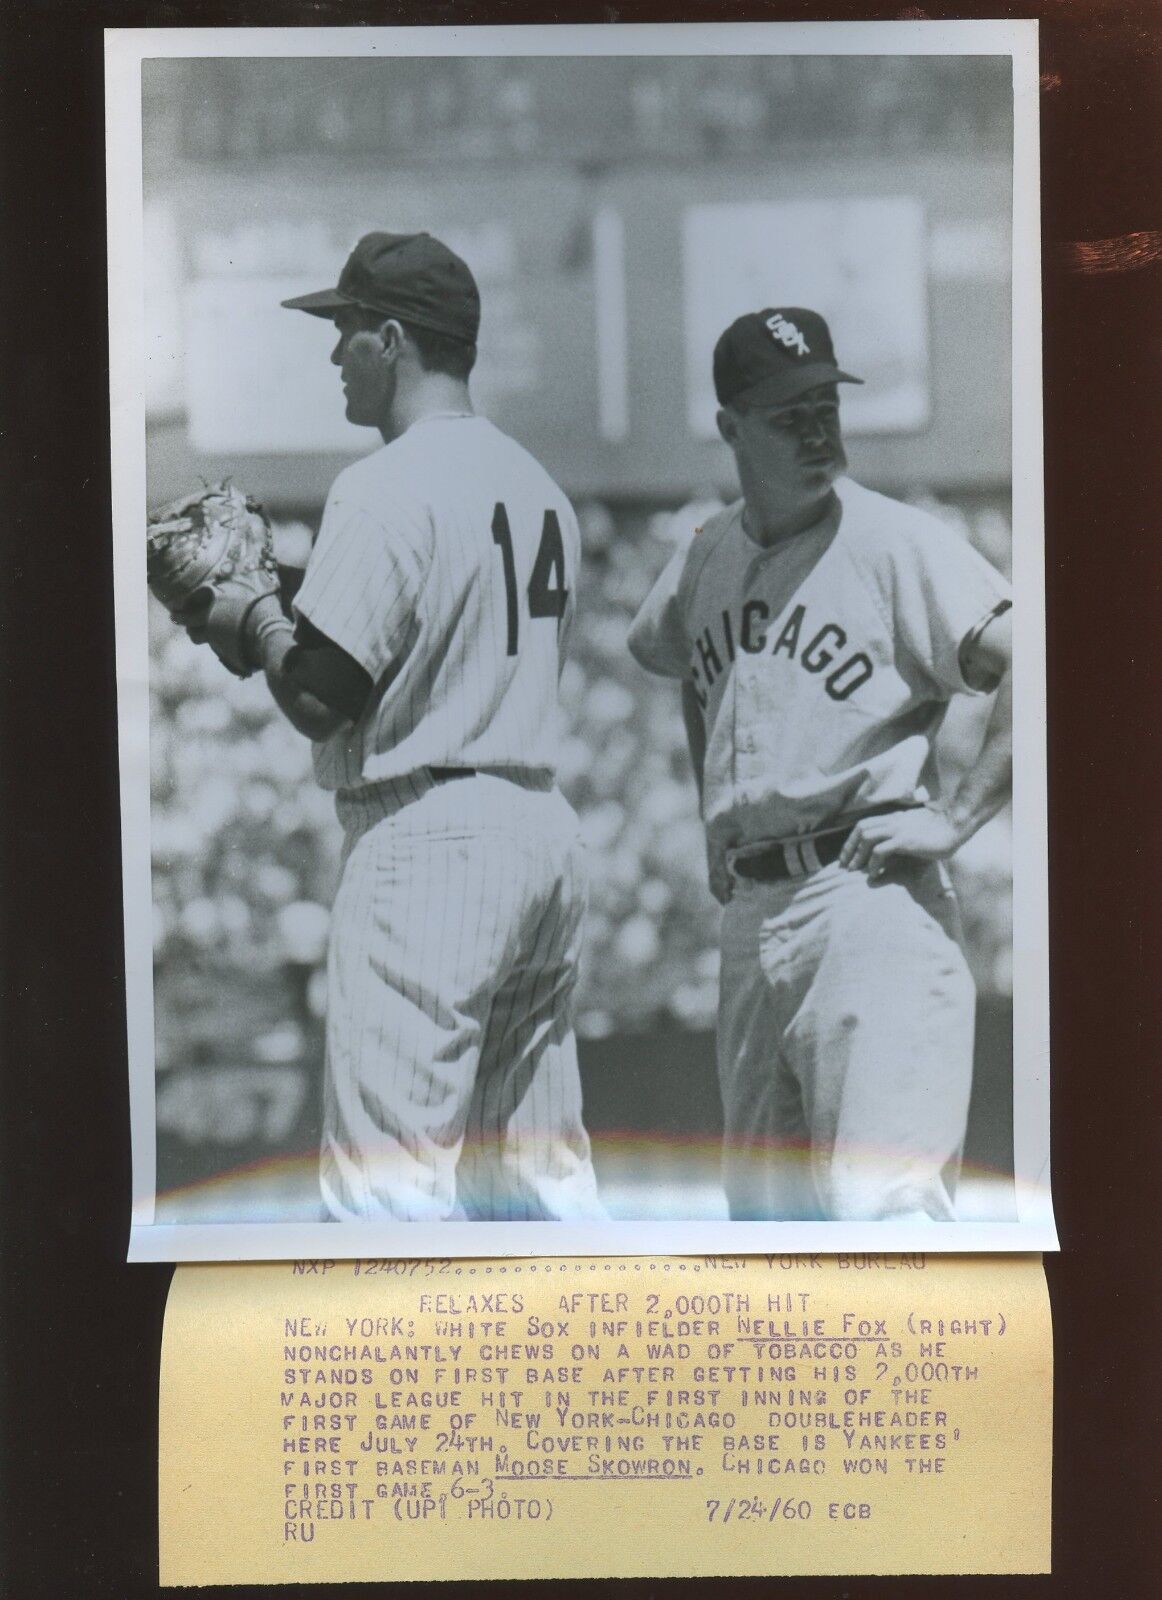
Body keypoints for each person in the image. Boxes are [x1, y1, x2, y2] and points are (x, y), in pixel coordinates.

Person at [209, 230, 605, 1222]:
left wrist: (253, 621)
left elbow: (319, 694)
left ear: (392, 339)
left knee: (388, 1196)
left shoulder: (382, 484)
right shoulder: (538, 487)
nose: (333, 353)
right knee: (537, 1186)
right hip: (539, 835)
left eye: (345, 330)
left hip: (431, 840)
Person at [628, 308, 1013, 1222]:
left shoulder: (892, 540)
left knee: (886, 1216)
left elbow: (1038, 659)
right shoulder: (707, 557)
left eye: (824, 406)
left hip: (865, 900)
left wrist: (955, 816)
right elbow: (687, 668)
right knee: (770, 1241)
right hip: (754, 920)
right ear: (730, 429)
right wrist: (709, 811)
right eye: (786, 414)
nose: (816, 430)